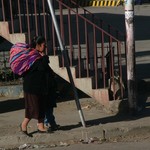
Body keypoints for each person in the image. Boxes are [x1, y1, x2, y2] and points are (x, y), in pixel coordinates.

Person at [20, 36, 52, 135]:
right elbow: (42, 67)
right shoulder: (33, 56)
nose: (45, 46)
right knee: (33, 107)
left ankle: (41, 126)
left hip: (40, 86)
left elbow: (45, 69)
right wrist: (45, 57)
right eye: (43, 44)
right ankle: (23, 125)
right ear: (38, 45)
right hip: (31, 87)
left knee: (41, 105)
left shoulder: (39, 55)